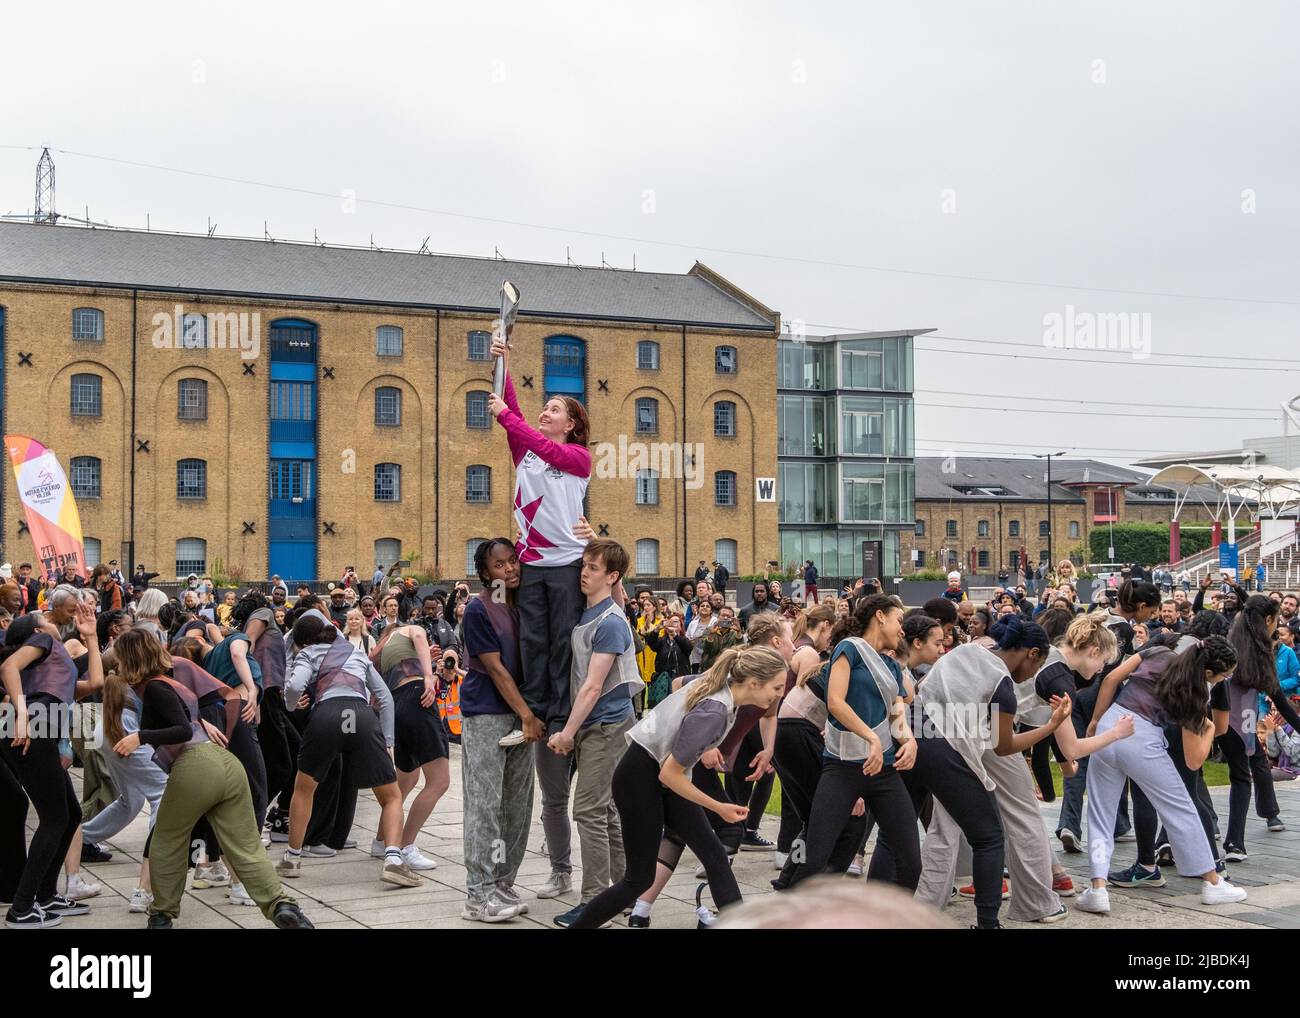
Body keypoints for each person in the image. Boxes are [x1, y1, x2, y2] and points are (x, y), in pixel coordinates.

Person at [566, 645, 788, 929]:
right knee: (638, 880)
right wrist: (718, 806)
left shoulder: (722, 691)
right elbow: (670, 775)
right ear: (754, 683)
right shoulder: (715, 710)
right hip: (640, 780)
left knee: (715, 855)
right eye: (777, 687)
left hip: (653, 774)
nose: (779, 694)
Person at [104, 629, 312, 929]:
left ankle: (161, 914)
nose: (118, 665)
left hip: (196, 765)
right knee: (245, 847)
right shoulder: (169, 683)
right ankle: (282, 905)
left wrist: (140, 736)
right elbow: (195, 713)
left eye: (120, 659)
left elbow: (182, 730)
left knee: (166, 840)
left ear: (131, 658)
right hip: (226, 766)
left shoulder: (154, 688)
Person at [486, 334, 592, 901]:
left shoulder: (575, 456)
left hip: (565, 563)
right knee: (531, 639)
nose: (544, 411)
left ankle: (562, 713)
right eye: (543, 406)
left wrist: (511, 415)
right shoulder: (527, 447)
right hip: (531, 564)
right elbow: (513, 421)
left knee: (561, 644)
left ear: (571, 426)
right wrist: (504, 362)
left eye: (556, 408)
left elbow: (523, 429)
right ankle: (534, 715)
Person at [1077, 636, 1249, 913]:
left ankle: (1097, 888)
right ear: (1208, 672)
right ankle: (1213, 882)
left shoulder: (1157, 652)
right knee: (1180, 809)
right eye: (1223, 676)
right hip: (1142, 740)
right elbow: (1194, 761)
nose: (1222, 681)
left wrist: (1096, 721)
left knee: (1100, 813)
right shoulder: (1195, 693)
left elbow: (1110, 680)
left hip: (1111, 725)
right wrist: (1207, 730)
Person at [785, 594, 920, 891]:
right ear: (880, 616)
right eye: (899, 621)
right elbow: (835, 702)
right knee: (815, 858)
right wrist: (871, 736)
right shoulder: (849, 649)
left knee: (910, 860)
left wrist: (909, 741)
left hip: (883, 771)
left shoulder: (893, 667)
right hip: (842, 769)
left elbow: (898, 714)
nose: (902, 630)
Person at [277, 614, 416, 887]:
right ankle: (393, 860)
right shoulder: (355, 651)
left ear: (304, 640)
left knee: (304, 788)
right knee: (391, 796)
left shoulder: (306, 653)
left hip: (326, 716)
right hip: (361, 715)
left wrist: (292, 705)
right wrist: (388, 741)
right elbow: (384, 697)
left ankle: (292, 858)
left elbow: (293, 686)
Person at [546, 539, 643, 927]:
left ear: (612, 576)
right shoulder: (599, 613)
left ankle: (594, 902)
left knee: (588, 810)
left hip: (606, 728)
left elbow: (592, 686)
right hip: (597, 727)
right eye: (583, 565)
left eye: (593, 567)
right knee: (607, 812)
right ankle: (622, 892)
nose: (584, 572)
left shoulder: (610, 622)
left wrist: (567, 733)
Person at [0, 605, 101, 928]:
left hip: (39, 728)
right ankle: (22, 908)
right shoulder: (44, 643)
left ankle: (45, 894)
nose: (49, 619)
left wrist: (92, 636)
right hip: (30, 728)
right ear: (37, 632)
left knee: (70, 813)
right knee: (55, 816)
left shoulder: (55, 659)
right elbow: (9, 667)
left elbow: (95, 682)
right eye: (42, 619)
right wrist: (23, 714)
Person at [459, 538, 538, 921]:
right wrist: (526, 714)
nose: (509, 569)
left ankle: (504, 881)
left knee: (517, 805)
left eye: (512, 561)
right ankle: (479, 893)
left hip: (524, 714)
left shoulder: (522, 605)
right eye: (499, 565)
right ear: (485, 573)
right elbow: (495, 669)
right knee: (485, 803)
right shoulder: (479, 609)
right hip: (488, 712)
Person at [371, 620, 450, 872]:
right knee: (439, 781)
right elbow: (417, 634)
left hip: (396, 706)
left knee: (405, 780)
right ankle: (405, 845)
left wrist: (427, 662)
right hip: (418, 698)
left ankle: (382, 841)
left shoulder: (382, 651)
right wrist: (429, 676)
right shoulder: (407, 629)